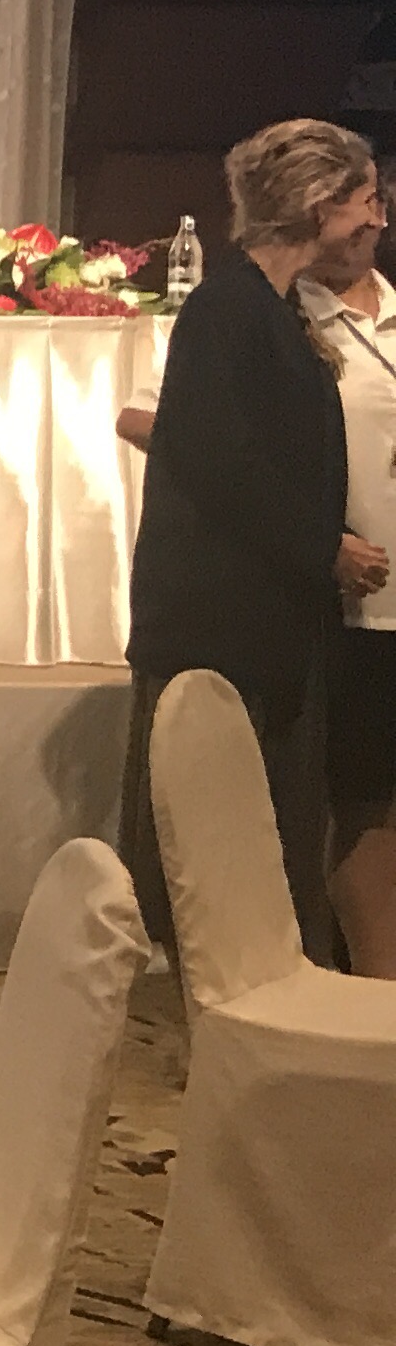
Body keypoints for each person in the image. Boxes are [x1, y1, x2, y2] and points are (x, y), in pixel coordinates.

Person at [121, 116, 387, 960]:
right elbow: (217, 460)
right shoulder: (228, 308)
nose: (375, 218)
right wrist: (327, 547)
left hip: (264, 624)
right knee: (217, 847)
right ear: (318, 205)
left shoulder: (267, 309)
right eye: (363, 199)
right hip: (219, 630)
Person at [302, 230, 396, 974]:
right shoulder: (283, 317)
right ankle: (374, 996)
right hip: (359, 606)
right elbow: (154, 420)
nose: (367, 223)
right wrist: (313, 532)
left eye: (374, 204)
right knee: (366, 804)